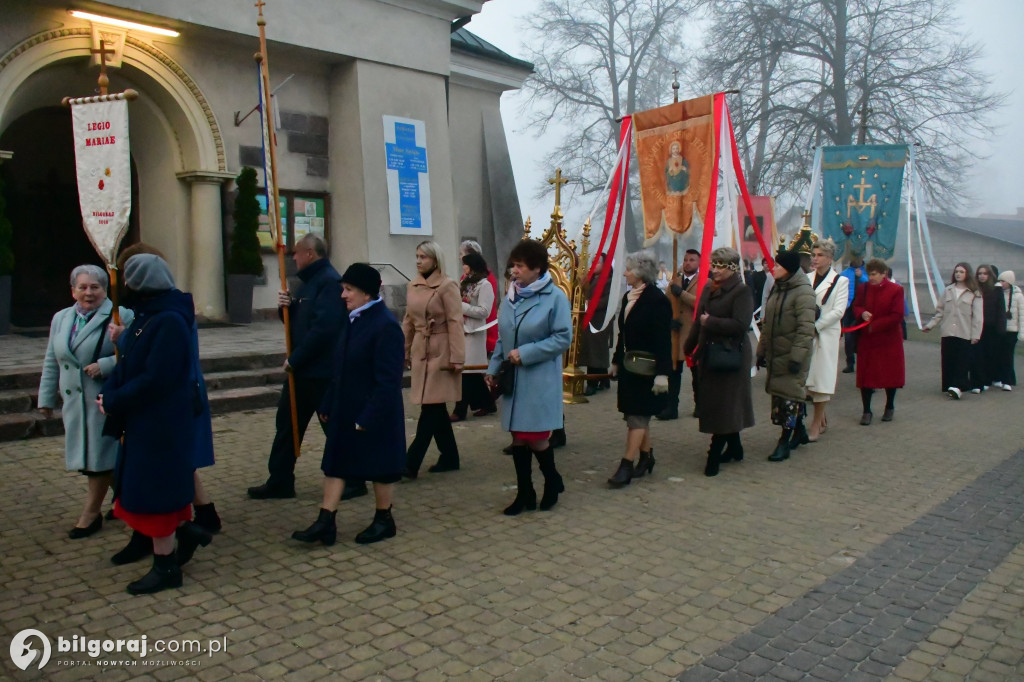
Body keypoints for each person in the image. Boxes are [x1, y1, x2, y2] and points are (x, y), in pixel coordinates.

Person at [98, 255, 212, 595]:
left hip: (161, 421)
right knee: (147, 487)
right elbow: (131, 362)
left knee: (155, 491)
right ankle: (186, 531)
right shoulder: (149, 317)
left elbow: (156, 377)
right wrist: (110, 391)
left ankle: (165, 566)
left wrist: (117, 399)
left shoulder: (169, 321)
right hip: (146, 418)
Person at [292, 264, 405, 546]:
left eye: (348, 289)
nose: (343, 295)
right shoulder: (352, 319)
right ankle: (325, 521)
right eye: (343, 288)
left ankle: (384, 519)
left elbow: (389, 381)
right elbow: (339, 368)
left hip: (374, 411)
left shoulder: (385, 326)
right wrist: (328, 402)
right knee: (335, 463)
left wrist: (369, 416)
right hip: (346, 405)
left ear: (367, 293)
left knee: (381, 466)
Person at [248, 234, 359, 500]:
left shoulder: (329, 284)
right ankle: (280, 479)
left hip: (320, 372)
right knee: (287, 424)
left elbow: (324, 330)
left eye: (296, 253)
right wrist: (285, 308)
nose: (293, 258)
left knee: (332, 426)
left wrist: (296, 358)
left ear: (309, 253)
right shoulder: (306, 285)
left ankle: (354, 479)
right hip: (302, 371)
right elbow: (299, 326)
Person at [37, 265, 134, 538]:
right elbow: (51, 360)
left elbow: (138, 354)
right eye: (82, 287)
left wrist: (106, 364)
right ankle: (129, 501)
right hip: (74, 404)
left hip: (104, 400)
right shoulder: (61, 318)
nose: (88, 293)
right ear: (72, 290)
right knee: (103, 458)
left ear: (106, 290)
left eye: (95, 287)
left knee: (99, 459)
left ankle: (90, 515)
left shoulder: (119, 314)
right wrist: (46, 398)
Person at [486, 239, 572, 514]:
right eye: (513, 265)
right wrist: (492, 368)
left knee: (536, 436)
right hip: (513, 379)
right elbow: (503, 337)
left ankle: (551, 481)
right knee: (518, 438)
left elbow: (562, 338)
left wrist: (526, 353)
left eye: (520, 266)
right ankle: (526, 493)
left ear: (536, 268)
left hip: (538, 379)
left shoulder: (555, 297)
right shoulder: (510, 298)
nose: (514, 270)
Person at [683, 247, 755, 476]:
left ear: (732, 268)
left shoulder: (741, 291)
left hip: (731, 356)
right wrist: (689, 345)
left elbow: (741, 325)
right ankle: (735, 447)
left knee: (725, 404)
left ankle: (713, 456)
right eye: (713, 265)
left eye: (720, 266)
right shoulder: (708, 287)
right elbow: (698, 319)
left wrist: (711, 322)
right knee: (719, 404)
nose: (715, 270)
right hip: (709, 353)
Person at [607, 252, 673, 487]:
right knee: (634, 414)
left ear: (640, 273)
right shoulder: (628, 297)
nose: (625, 273)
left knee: (637, 415)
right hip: (629, 366)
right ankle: (646, 457)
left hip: (648, 369)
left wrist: (663, 373)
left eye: (629, 269)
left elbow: (664, 340)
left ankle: (626, 464)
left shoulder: (657, 300)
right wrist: (616, 361)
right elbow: (623, 334)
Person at [403, 241, 465, 477]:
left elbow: (455, 321)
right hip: (422, 349)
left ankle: (411, 462)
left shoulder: (447, 286)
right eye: (417, 256)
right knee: (435, 407)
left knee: (431, 407)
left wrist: (458, 356)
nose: (419, 261)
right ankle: (450, 456)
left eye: (424, 257)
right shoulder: (413, 285)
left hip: (441, 350)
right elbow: (408, 320)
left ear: (435, 259)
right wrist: (405, 350)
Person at [756, 250, 816, 462]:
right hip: (776, 353)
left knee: (788, 399)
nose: (774, 269)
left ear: (789, 269)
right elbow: (768, 323)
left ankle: (784, 441)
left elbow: (806, 328)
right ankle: (799, 432)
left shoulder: (803, 292)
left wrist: (797, 357)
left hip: (792, 355)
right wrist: (761, 350)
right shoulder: (778, 288)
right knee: (783, 395)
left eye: (778, 266)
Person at [803, 239, 849, 441]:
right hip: (806, 334)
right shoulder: (805, 278)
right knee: (808, 379)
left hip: (826, 335)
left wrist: (817, 326)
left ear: (830, 258)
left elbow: (839, 310)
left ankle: (815, 423)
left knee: (822, 379)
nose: (815, 259)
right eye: (813, 255)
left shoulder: (840, 281)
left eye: (820, 255)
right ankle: (821, 418)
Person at [852, 258, 906, 424]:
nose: (871, 277)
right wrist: (862, 313)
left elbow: (897, 315)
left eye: (874, 274)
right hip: (868, 340)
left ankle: (889, 406)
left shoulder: (896, 290)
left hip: (888, 339)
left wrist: (875, 325)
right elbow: (856, 305)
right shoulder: (864, 288)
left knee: (890, 373)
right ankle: (866, 411)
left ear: (884, 274)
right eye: (869, 274)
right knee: (866, 374)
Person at [923, 263, 982, 399]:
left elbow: (978, 317)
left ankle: (959, 386)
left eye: (961, 271)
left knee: (962, 361)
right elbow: (940, 311)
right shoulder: (948, 290)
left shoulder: (974, 293)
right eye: (956, 271)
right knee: (949, 360)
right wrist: (930, 325)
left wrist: (976, 335)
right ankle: (950, 385)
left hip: (965, 332)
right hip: (948, 331)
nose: (958, 274)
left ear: (967, 274)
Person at [451, 252, 497, 421]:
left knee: (467, 372)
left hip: (474, 332)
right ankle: (487, 403)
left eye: (465, 264)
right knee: (473, 373)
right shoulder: (464, 282)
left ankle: (460, 410)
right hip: (461, 330)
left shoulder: (484, 285)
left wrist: (460, 306)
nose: (463, 267)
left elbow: (484, 311)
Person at [660, 249, 700, 420]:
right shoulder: (675, 281)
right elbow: (666, 304)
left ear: (698, 263)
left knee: (697, 374)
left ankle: (700, 405)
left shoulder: (703, 280)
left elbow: (699, 303)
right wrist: (669, 319)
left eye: (692, 260)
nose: (687, 263)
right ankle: (671, 407)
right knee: (674, 373)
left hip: (693, 334)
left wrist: (681, 293)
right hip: (676, 333)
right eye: (685, 259)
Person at [581, 253, 614, 396]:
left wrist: (592, 304)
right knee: (593, 350)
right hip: (589, 319)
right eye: (593, 261)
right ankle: (604, 379)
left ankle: (592, 383)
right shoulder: (592, 279)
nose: (594, 264)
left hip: (600, 320)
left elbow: (608, 299)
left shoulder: (608, 280)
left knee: (595, 351)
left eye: (598, 262)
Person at [460, 240, 499, 357]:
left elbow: (485, 310)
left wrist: (460, 306)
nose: (460, 259)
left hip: (479, 331)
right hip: (464, 330)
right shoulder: (465, 278)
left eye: (462, 255)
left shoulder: (487, 280)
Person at [972, 264, 1006, 393]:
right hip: (976, 326)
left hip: (991, 327)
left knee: (989, 354)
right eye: (980, 273)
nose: (982, 276)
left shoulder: (996, 290)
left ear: (990, 275)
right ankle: (977, 381)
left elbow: (1001, 310)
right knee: (976, 355)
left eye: (985, 273)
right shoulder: (974, 289)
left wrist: (1001, 328)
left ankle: (987, 379)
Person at [995, 271, 1024, 389]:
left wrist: (1022, 332)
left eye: (1003, 281)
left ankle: (1008, 380)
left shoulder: (1018, 296)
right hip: (1000, 329)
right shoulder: (998, 294)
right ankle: (999, 378)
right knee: (999, 354)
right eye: (999, 281)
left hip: (1012, 331)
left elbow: (1022, 315)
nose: (1001, 283)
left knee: (1007, 355)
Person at [839, 257, 869, 373]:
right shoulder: (844, 273)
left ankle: (864, 364)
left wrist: (861, 276)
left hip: (863, 309)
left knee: (863, 337)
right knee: (849, 337)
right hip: (849, 308)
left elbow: (870, 285)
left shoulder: (866, 272)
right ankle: (850, 363)